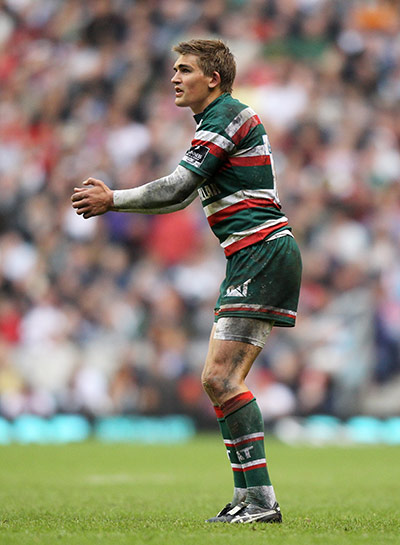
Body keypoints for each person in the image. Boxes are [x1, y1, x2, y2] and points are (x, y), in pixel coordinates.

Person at [71, 39, 302, 524]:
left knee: (221, 378)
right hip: (249, 255)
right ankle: (249, 499)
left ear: (213, 78)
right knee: (217, 381)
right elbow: (180, 199)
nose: (174, 78)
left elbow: (177, 187)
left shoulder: (229, 115)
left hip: (261, 251)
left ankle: (261, 501)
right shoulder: (214, 123)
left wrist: (114, 199)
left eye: (184, 70)